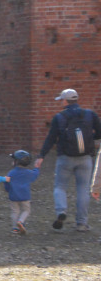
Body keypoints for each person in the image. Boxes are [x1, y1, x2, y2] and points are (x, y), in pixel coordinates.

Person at [35, 89, 101, 232]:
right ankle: (82, 223)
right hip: (85, 158)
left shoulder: (59, 117)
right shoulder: (90, 115)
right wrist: (90, 139)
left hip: (65, 158)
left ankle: (61, 212)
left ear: (65, 101)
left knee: (60, 186)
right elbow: (99, 133)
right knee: (83, 189)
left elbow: (51, 138)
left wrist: (41, 156)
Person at [6, 150, 39, 234]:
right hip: (25, 196)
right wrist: (36, 168)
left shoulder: (11, 173)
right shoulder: (28, 173)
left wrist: (8, 190)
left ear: (16, 162)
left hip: (13, 196)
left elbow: (6, 182)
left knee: (15, 211)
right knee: (26, 210)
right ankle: (21, 221)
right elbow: (35, 175)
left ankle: (15, 228)